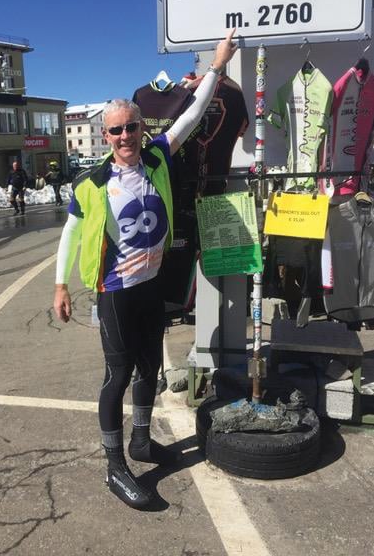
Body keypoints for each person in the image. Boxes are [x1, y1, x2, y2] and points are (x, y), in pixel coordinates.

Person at [53, 29, 238, 509]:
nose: (124, 137)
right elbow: (71, 234)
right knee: (117, 374)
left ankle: (140, 439)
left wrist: (217, 65)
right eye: (114, 130)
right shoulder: (92, 182)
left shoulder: (157, 152)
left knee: (151, 365)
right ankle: (115, 467)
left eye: (130, 128)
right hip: (114, 290)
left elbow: (194, 113)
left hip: (150, 284)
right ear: (105, 136)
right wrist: (60, 284)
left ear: (140, 128)